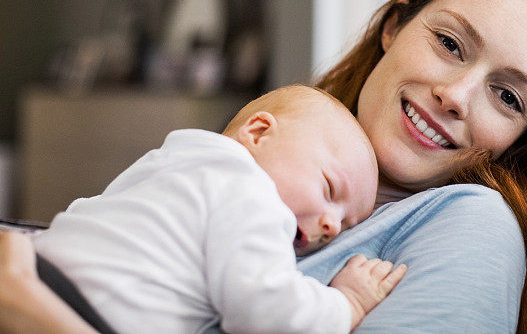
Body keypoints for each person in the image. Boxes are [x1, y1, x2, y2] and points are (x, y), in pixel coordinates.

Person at [0, 0, 527, 334]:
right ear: (393, 28)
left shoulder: (472, 225)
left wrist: (36, 314)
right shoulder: (263, 160)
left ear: (519, 139)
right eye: (450, 44)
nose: (456, 95)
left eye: (508, 97)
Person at [33, 85, 406, 334]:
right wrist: (347, 303)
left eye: (345, 224)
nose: (331, 225)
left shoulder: (176, 158)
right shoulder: (251, 192)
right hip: (86, 311)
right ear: (258, 132)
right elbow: (264, 310)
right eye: (329, 189)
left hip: (43, 270)